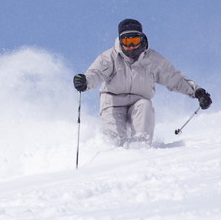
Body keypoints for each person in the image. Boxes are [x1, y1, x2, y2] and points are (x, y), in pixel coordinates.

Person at [73, 18, 212, 146]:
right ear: (120, 42)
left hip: (139, 101)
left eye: (135, 41)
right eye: (127, 42)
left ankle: (141, 147)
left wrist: (197, 92)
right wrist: (85, 81)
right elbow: (96, 73)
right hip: (113, 102)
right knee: (114, 139)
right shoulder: (110, 57)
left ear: (142, 40)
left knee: (145, 106)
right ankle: (114, 154)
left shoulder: (153, 60)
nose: (131, 46)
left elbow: (174, 78)